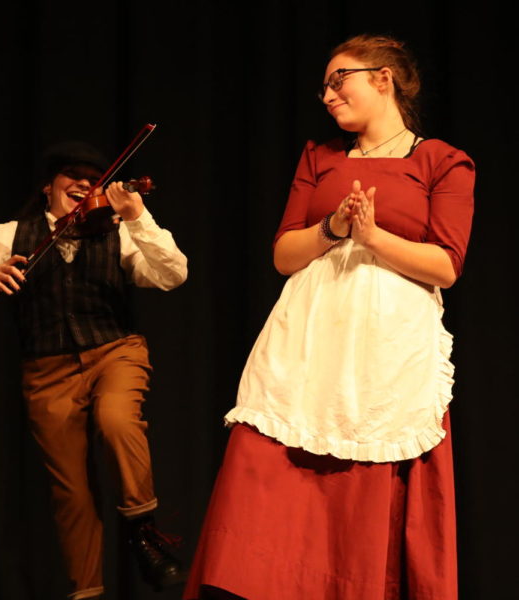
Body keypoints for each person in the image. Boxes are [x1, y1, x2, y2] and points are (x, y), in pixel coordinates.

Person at [184, 34, 474, 600]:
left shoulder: (441, 161)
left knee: (365, 482)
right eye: (323, 87)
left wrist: (372, 236)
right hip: (310, 334)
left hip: (389, 343)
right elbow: (283, 254)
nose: (327, 95)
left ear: (383, 78)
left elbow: (445, 265)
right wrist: (334, 230)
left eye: (339, 79)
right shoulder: (320, 158)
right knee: (266, 468)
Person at [0, 142, 188, 600]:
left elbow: (173, 275)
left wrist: (137, 217)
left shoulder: (117, 230)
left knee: (117, 420)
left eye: (95, 177)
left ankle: (143, 531)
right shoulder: (7, 235)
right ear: (48, 186)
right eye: (73, 174)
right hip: (47, 369)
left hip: (114, 351)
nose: (86, 184)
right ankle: (86, 593)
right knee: (71, 493)